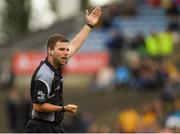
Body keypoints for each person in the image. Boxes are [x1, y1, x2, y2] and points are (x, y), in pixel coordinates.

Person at [25, 7, 102, 133]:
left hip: (54, 126)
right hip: (41, 128)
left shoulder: (56, 63)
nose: (66, 53)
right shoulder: (45, 75)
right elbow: (38, 106)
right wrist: (63, 108)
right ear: (50, 51)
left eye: (66, 50)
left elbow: (75, 45)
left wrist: (89, 24)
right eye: (62, 50)